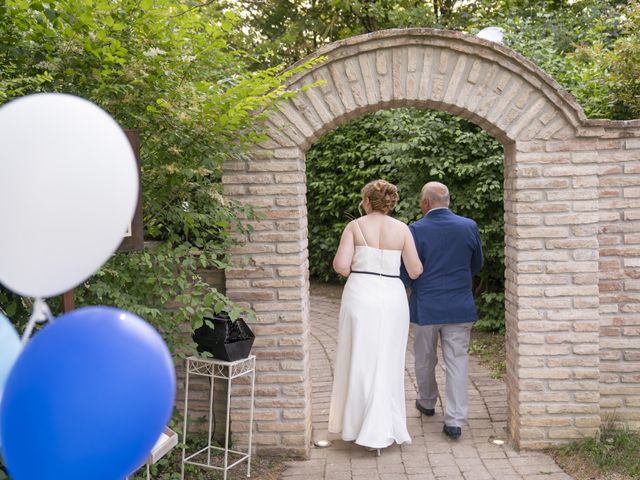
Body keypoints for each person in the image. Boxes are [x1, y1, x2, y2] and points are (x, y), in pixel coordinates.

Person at [328, 179, 423, 455]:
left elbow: (341, 267)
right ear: (389, 202)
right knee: (388, 360)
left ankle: (358, 426)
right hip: (393, 296)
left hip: (361, 293)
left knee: (360, 357)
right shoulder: (403, 229)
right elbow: (415, 270)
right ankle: (385, 425)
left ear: (367, 201)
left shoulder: (354, 227)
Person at [401, 181, 483, 440]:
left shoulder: (416, 229)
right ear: (447, 200)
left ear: (426, 203)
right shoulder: (469, 226)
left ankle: (426, 402)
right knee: (457, 361)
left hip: (426, 307)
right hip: (460, 305)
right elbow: (476, 264)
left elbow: (407, 271)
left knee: (425, 358)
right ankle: (455, 420)